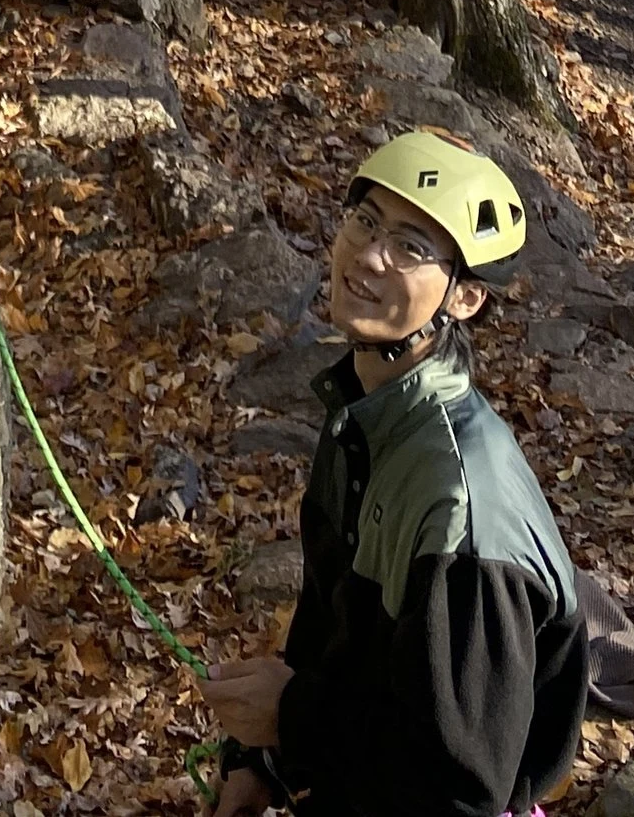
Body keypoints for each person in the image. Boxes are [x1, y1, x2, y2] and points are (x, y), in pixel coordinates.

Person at [200, 128, 587, 817]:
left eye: (410, 246)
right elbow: (332, 628)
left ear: (464, 298)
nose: (368, 254)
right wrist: (265, 761)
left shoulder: (462, 503)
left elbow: (461, 786)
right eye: (365, 219)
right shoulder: (364, 414)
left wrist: (290, 716)